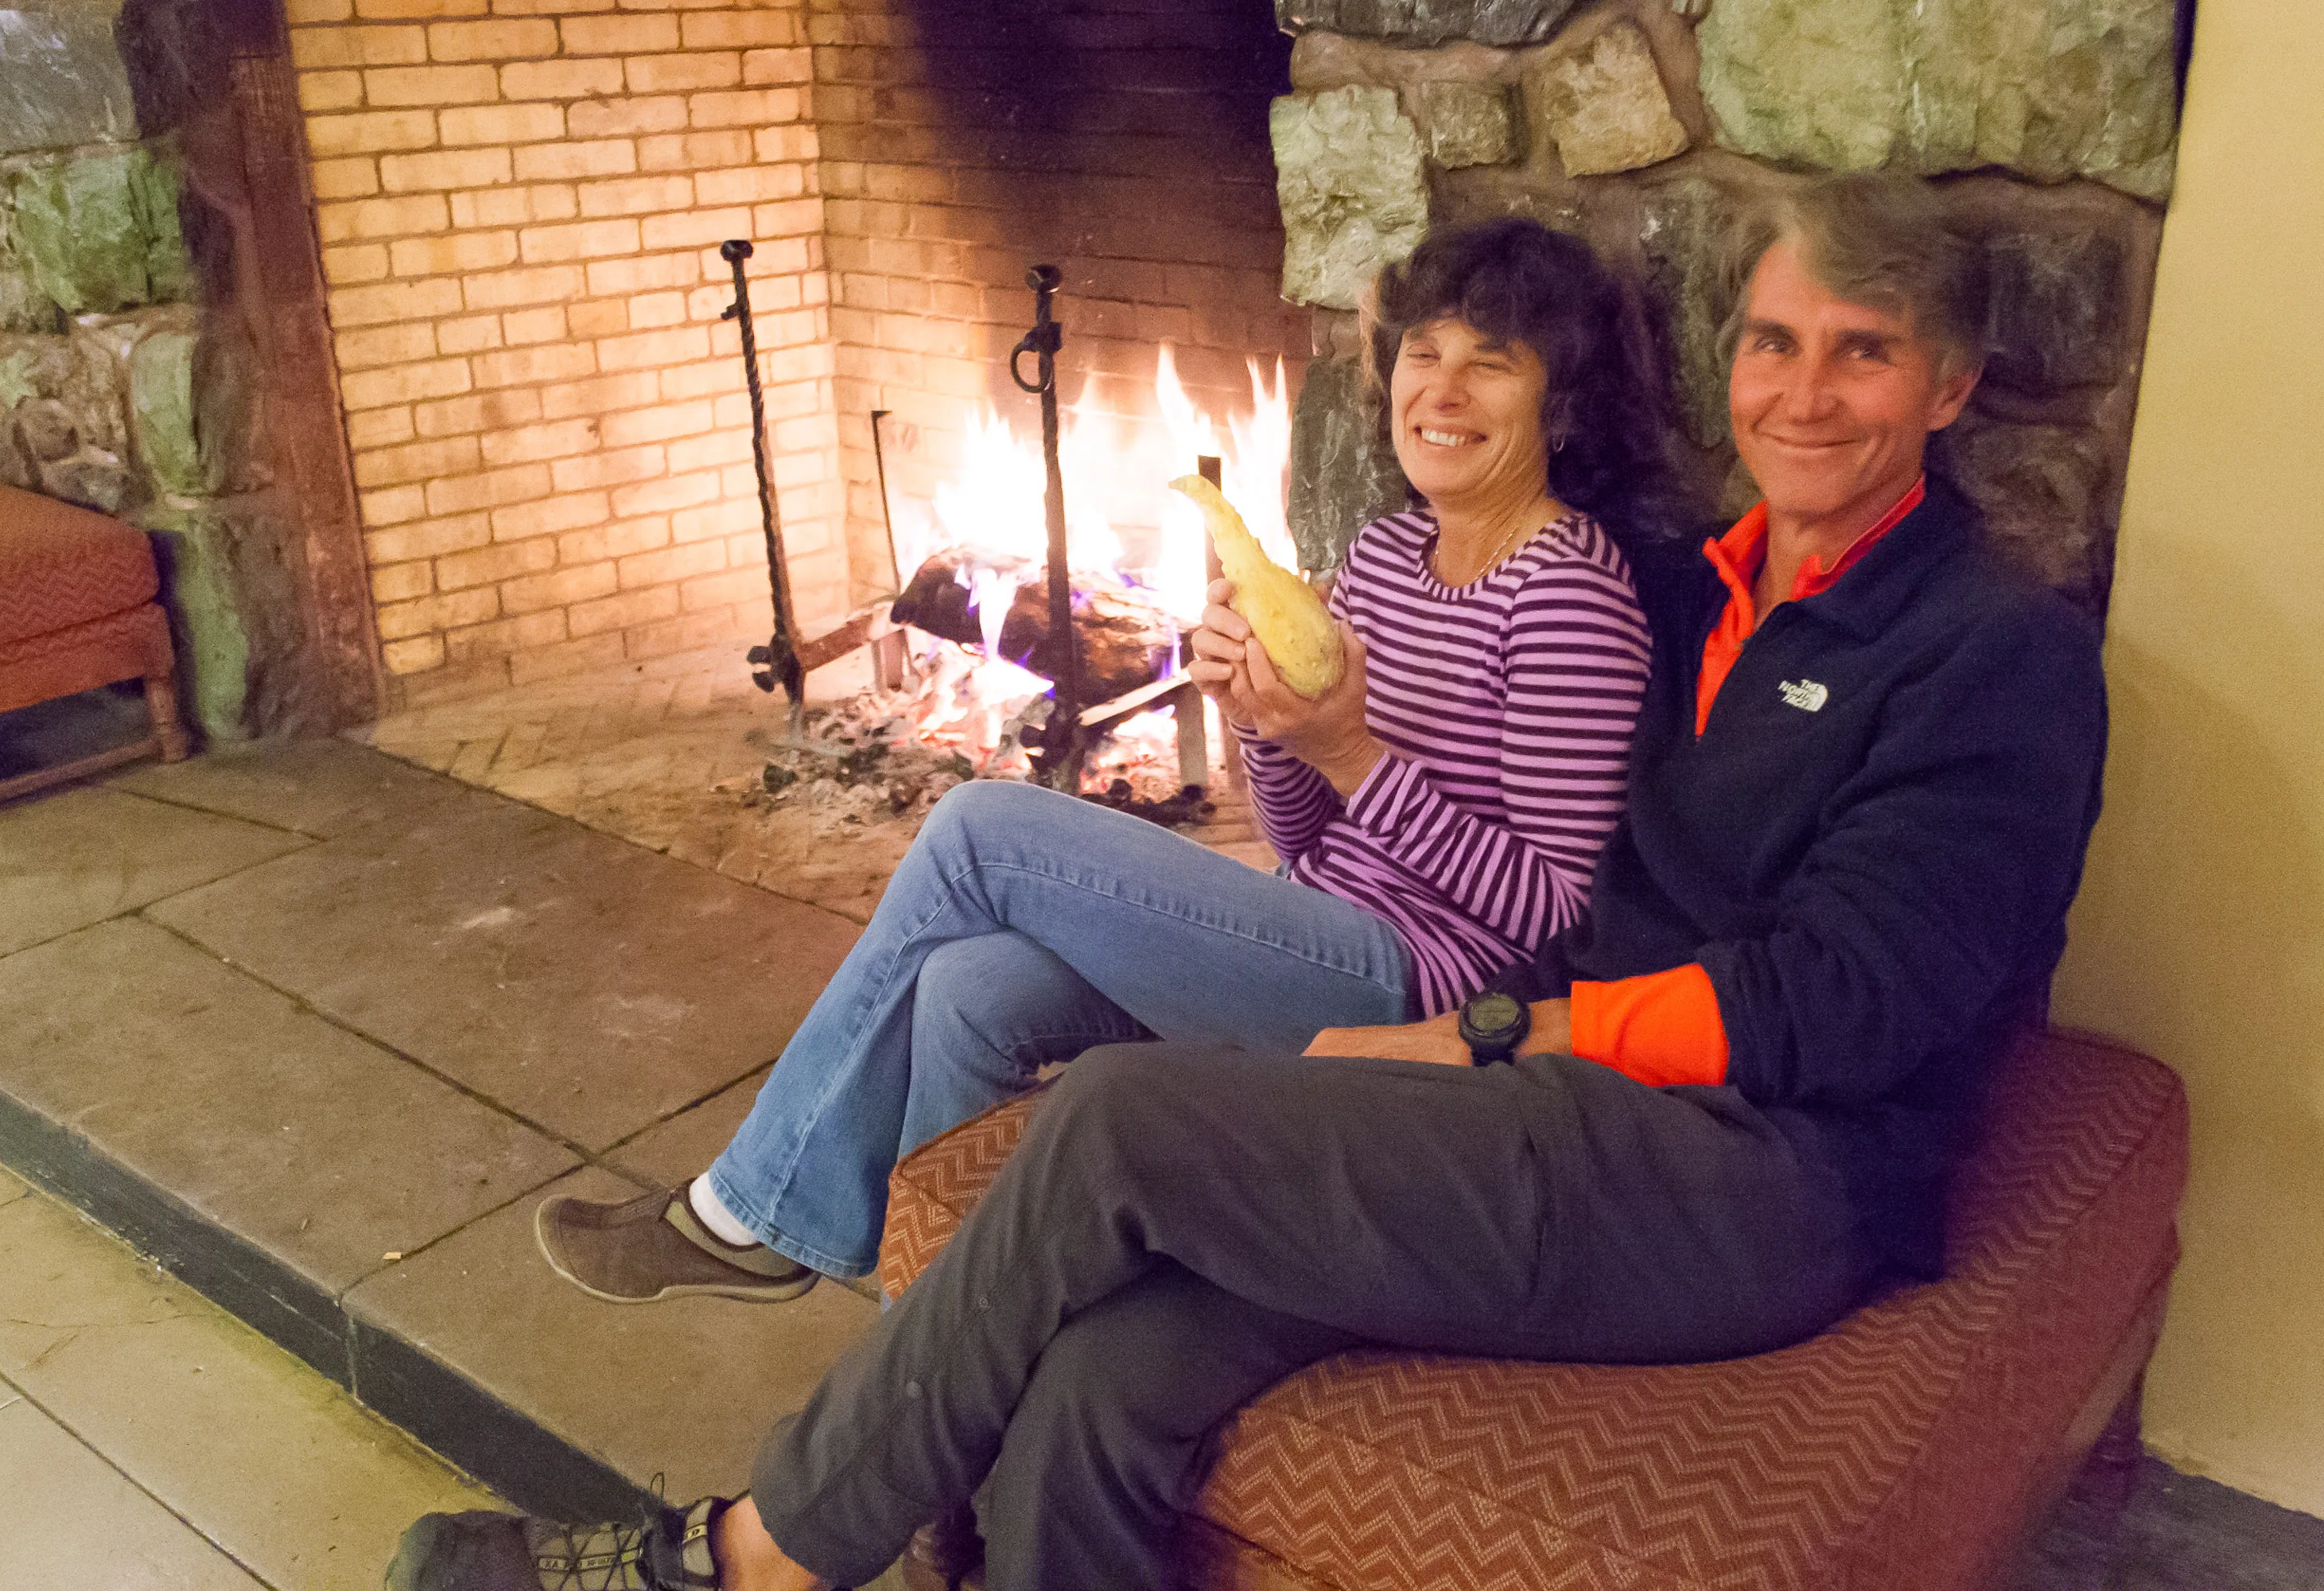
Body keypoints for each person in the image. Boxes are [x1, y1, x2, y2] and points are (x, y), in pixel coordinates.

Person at [389, 173, 2107, 1591]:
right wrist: (1294, 737)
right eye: (1776, 344)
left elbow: (1839, 1000)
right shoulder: (1709, 589)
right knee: (1101, 1376)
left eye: (1864, 355)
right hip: (1580, 1105)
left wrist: (1493, 1032)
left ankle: (741, 1560)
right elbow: (1432, 852)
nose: (1804, 393)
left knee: (1123, 1119)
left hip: (1764, 1179)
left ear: (1947, 391)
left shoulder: (1993, 655)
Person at [530, 217, 1679, 1308]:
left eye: (1493, 363)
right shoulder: (1385, 557)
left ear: (1562, 405)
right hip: (1317, 926)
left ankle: (752, 1212)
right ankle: (923, 1337)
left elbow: (1550, 916)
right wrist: (1259, 725)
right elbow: (1309, 843)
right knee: (968, 990)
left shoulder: (1570, 596)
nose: (1441, 389)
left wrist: (1349, 747)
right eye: (1424, 353)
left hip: (1430, 993)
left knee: (982, 827)